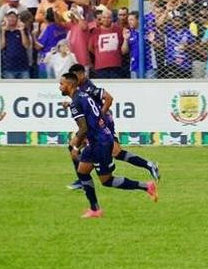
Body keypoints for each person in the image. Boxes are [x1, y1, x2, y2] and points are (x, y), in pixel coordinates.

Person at [60, 72, 158, 219]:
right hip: (97, 140)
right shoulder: (82, 96)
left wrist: (76, 147)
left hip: (100, 143)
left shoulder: (76, 102)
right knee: (82, 172)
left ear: (70, 85)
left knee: (107, 180)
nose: (59, 87)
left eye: (61, 84)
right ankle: (95, 209)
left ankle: (146, 186)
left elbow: (83, 128)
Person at [68, 64, 160, 185]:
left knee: (113, 152)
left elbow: (109, 98)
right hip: (99, 124)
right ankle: (149, 165)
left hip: (102, 124)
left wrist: (99, 116)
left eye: (75, 77)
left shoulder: (88, 87)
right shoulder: (81, 88)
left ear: (82, 74)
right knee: (114, 152)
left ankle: (82, 179)